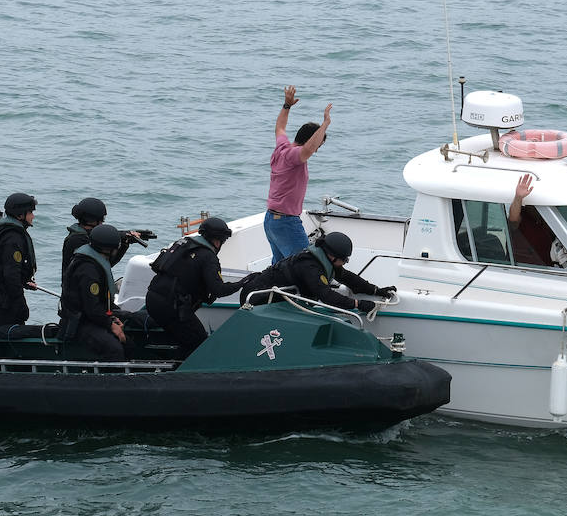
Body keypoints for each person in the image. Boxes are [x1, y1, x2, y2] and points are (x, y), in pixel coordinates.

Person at [144, 217, 248, 359]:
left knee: (183, 336)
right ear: (218, 241)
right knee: (198, 343)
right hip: (171, 307)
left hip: (152, 299)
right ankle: (179, 374)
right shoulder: (208, 257)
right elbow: (219, 290)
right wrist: (242, 282)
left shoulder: (184, 244)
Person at [239, 231, 395, 314]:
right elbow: (326, 296)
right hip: (258, 299)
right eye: (345, 260)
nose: (345, 263)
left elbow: (348, 278)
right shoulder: (310, 267)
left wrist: (376, 290)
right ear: (332, 256)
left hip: (278, 298)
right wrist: (357, 304)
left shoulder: (324, 260)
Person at [264, 84, 332, 264]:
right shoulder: (294, 156)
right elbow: (308, 149)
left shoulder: (282, 147)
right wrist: (325, 125)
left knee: (279, 267)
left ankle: (277, 292)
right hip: (286, 222)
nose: (317, 150)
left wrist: (287, 106)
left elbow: (280, 127)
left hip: (272, 220)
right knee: (306, 264)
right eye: (319, 145)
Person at [59, 223, 128, 361]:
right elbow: (91, 307)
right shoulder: (89, 271)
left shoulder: (93, 260)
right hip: (80, 323)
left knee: (129, 343)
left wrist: (112, 319)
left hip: (91, 318)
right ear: (109, 249)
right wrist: (111, 325)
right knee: (114, 350)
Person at [0, 192, 38, 351]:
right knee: (0, 336)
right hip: (4, 297)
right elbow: (10, 273)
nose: (33, 217)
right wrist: (20, 302)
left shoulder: (2, 231)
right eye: (31, 212)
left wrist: (24, 282)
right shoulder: (13, 237)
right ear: (20, 215)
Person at [61, 197, 150, 270]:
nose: (102, 223)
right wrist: (121, 241)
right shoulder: (79, 240)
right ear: (94, 220)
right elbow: (104, 264)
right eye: (101, 220)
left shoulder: (77, 234)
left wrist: (125, 240)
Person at [508, 174, 567, 266]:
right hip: (524, 268)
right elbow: (513, 220)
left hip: (549, 267)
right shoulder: (522, 216)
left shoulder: (548, 218)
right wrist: (518, 198)